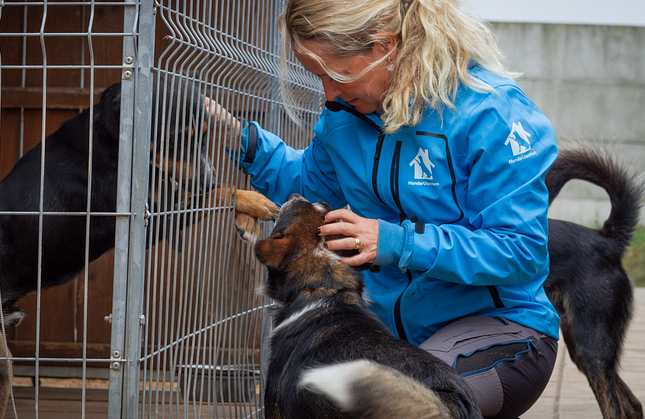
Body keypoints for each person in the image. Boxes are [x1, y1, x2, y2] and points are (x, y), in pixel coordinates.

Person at [208, 0, 560, 417]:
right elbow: (309, 194)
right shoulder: (343, 117)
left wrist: (398, 242)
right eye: (317, 76)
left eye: (334, 74)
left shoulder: (493, 113)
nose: (328, 93)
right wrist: (239, 139)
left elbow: (519, 250)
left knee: (405, 402)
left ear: (384, 47)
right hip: (388, 338)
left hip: (501, 331)